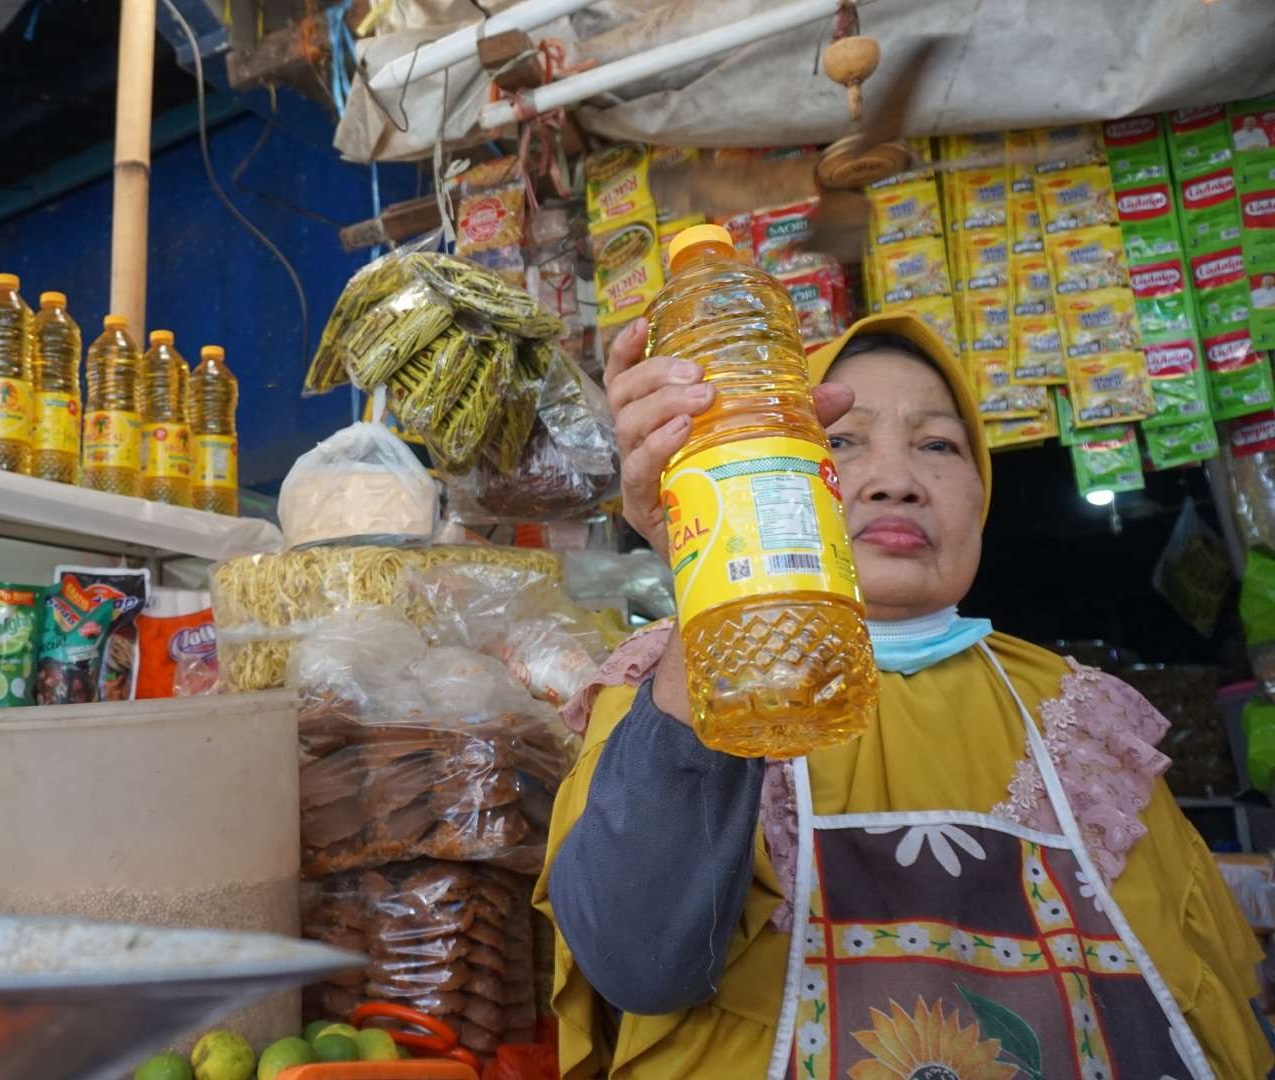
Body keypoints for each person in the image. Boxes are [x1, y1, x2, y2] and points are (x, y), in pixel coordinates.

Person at [537, 312, 1271, 1079]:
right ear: (767, 463)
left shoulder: (1088, 716)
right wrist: (711, 589)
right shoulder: (669, 677)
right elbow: (641, 962)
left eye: (937, 445)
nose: (896, 480)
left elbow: (1215, 1012)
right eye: (843, 440)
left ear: (981, 495)